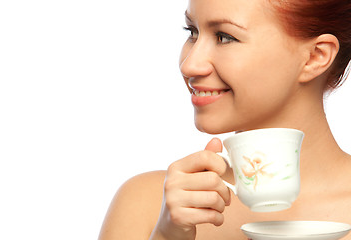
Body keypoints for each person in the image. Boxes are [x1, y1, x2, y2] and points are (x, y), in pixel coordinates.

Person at [99, 0, 351, 239]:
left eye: (224, 37)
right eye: (192, 32)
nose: (189, 65)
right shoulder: (148, 206)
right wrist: (167, 236)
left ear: (315, 57)